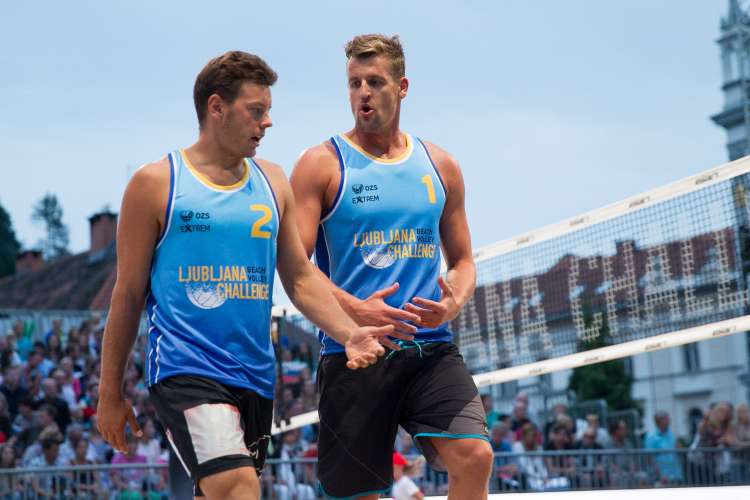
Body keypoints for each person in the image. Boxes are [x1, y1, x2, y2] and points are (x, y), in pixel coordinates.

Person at [96, 50, 401, 500]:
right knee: (239, 488)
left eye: (269, 112)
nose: (268, 123)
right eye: (257, 111)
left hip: (255, 376)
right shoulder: (157, 183)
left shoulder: (273, 182)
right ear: (216, 107)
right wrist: (109, 392)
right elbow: (127, 294)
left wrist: (349, 331)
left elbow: (299, 277)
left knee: (219, 492)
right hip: (186, 369)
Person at [290, 34, 492, 498]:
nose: (363, 91)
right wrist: (353, 310)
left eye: (375, 81)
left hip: (429, 349)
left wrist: (451, 302)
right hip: (354, 353)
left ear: (401, 87)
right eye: (354, 82)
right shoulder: (321, 164)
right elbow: (295, 267)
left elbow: (462, 260)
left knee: (475, 457)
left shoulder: (440, 165)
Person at [643, 411, 682, 485]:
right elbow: (649, 458)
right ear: (659, 421)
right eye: (666, 419)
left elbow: (678, 449)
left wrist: (679, 447)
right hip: (661, 478)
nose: (669, 421)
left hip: (675, 475)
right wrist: (659, 475)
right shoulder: (651, 436)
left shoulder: (671, 433)